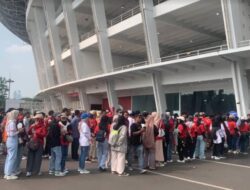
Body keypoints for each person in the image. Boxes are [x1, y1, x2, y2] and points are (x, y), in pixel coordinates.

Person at [4, 110, 21, 180]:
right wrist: (19, 131)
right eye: (17, 114)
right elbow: (12, 134)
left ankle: (7, 173)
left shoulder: (9, 122)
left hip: (9, 140)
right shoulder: (12, 123)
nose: (18, 116)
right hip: (12, 140)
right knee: (12, 157)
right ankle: (9, 174)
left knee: (9, 157)